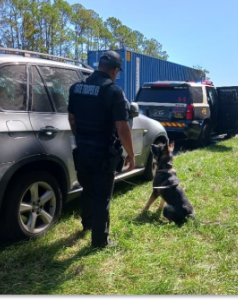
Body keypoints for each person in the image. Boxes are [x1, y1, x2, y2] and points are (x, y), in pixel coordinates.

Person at [68, 50, 135, 248]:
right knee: (102, 196)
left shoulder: (76, 88)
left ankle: (87, 224)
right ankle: (99, 241)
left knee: (86, 189)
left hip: (82, 150)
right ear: (115, 71)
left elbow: (72, 118)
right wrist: (131, 155)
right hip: (102, 153)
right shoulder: (113, 92)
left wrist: (80, 138)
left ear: (99, 67)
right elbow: (122, 127)